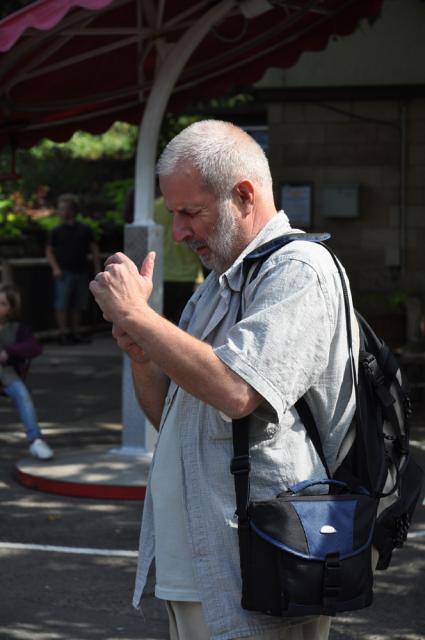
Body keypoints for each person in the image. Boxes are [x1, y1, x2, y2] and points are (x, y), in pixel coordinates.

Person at [90, 120, 359, 640]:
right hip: (203, 561)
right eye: (173, 215)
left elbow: (237, 392)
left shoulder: (300, 270)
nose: (179, 232)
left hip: (260, 564)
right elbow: (173, 419)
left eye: (190, 212)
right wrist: (144, 357)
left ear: (242, 196)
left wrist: (141, 317)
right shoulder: (219, 284)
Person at [124, 188, 204, 324]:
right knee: (184, 322)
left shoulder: (153, 208)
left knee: (162, 321)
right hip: (188, 274)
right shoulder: (190, 207)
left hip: (160, 273)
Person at [0, 285, 53, 460]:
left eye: (3, 304)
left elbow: (34, 347)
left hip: (7, 373)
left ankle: (35, 440)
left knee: (23, 394)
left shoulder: (17, 329)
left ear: (10, 309)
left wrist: (9, 351)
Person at [46, 193, 101, 344]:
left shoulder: (85, 229)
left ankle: (76, 332)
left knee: (78, 304)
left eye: (63, 209)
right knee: (62, 304)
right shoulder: (55, 231)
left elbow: (94, 249)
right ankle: (63, 334)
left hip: (81, 271)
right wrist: (55, 268)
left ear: (72, 211)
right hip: (63, 272)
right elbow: (49, 251)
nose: (60, 212)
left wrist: (97, 268)